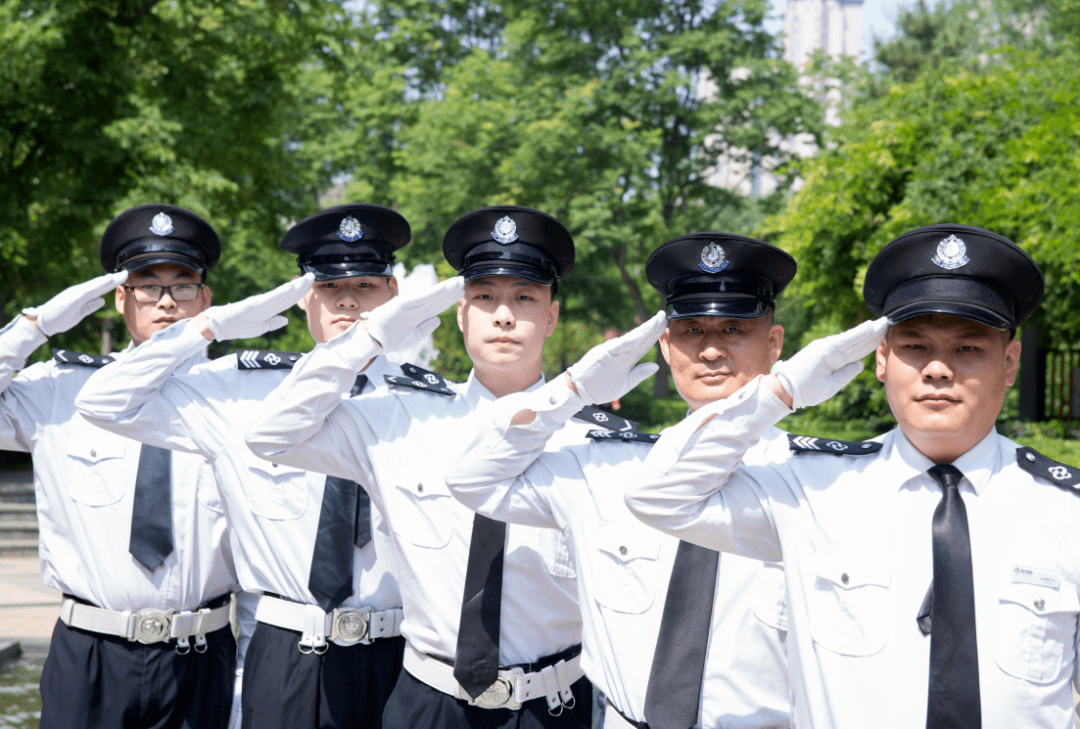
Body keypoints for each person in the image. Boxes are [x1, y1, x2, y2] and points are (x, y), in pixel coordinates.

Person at [625, 224, 1080, 728]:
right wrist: (779, 391)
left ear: (1011, 362)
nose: (937, 370)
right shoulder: (814, 490)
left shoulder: (1066, 510)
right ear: (881, 359)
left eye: (967, 349)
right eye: (913, 347)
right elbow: (657, 497)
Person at [245, 205, 652, 729]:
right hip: (427, 702)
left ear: (552, 316)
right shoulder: (402, 419)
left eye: (524, 298)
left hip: (550, 707)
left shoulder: (597, 444)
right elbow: (269, 435)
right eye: (484, 298)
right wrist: (364, 340)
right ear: (460, 314)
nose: (503, 315)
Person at [75, 203, 437, 729]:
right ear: (304, 296)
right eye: (331, 288)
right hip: (287, 652)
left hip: (401, 650)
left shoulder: (432, 404)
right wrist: (208, 327)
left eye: (366, 285)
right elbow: (104, 402)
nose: (350, 301)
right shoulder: (245, 394)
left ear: (393, 295)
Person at [443, 233, 795, 729]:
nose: (712, 350)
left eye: (734, 328)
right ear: (667, 347)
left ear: (774, 343)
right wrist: (572, 389)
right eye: (692, 331)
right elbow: (473, 480)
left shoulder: (813, 484)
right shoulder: (605, 467)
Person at [0, 204, 241, 728]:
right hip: (89, 654)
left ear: (206, 299)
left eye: (183, 285)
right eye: (147, 286)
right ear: (120, 298)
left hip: (200, 655)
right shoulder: (62, 390)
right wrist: (34, 326)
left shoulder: (244, 396)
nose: (166, 302)